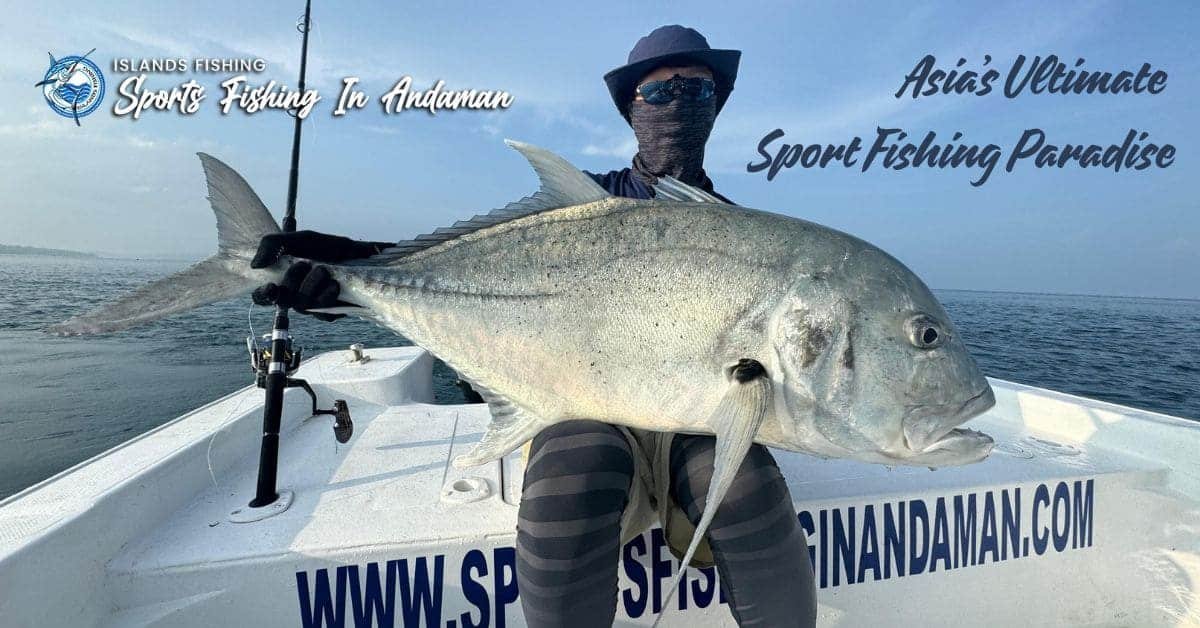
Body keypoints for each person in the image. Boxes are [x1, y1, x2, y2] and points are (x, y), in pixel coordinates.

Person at [250, 24, 817, 628]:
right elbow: (475, 275)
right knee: (579, 464)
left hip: (691, 419)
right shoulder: (576, 210)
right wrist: (347, 271)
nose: (677, 104)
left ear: (717, 106)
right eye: (658, 93)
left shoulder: (748, 238)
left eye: (696, 91)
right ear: (632, 109)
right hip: (581, 404)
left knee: (745, 487)